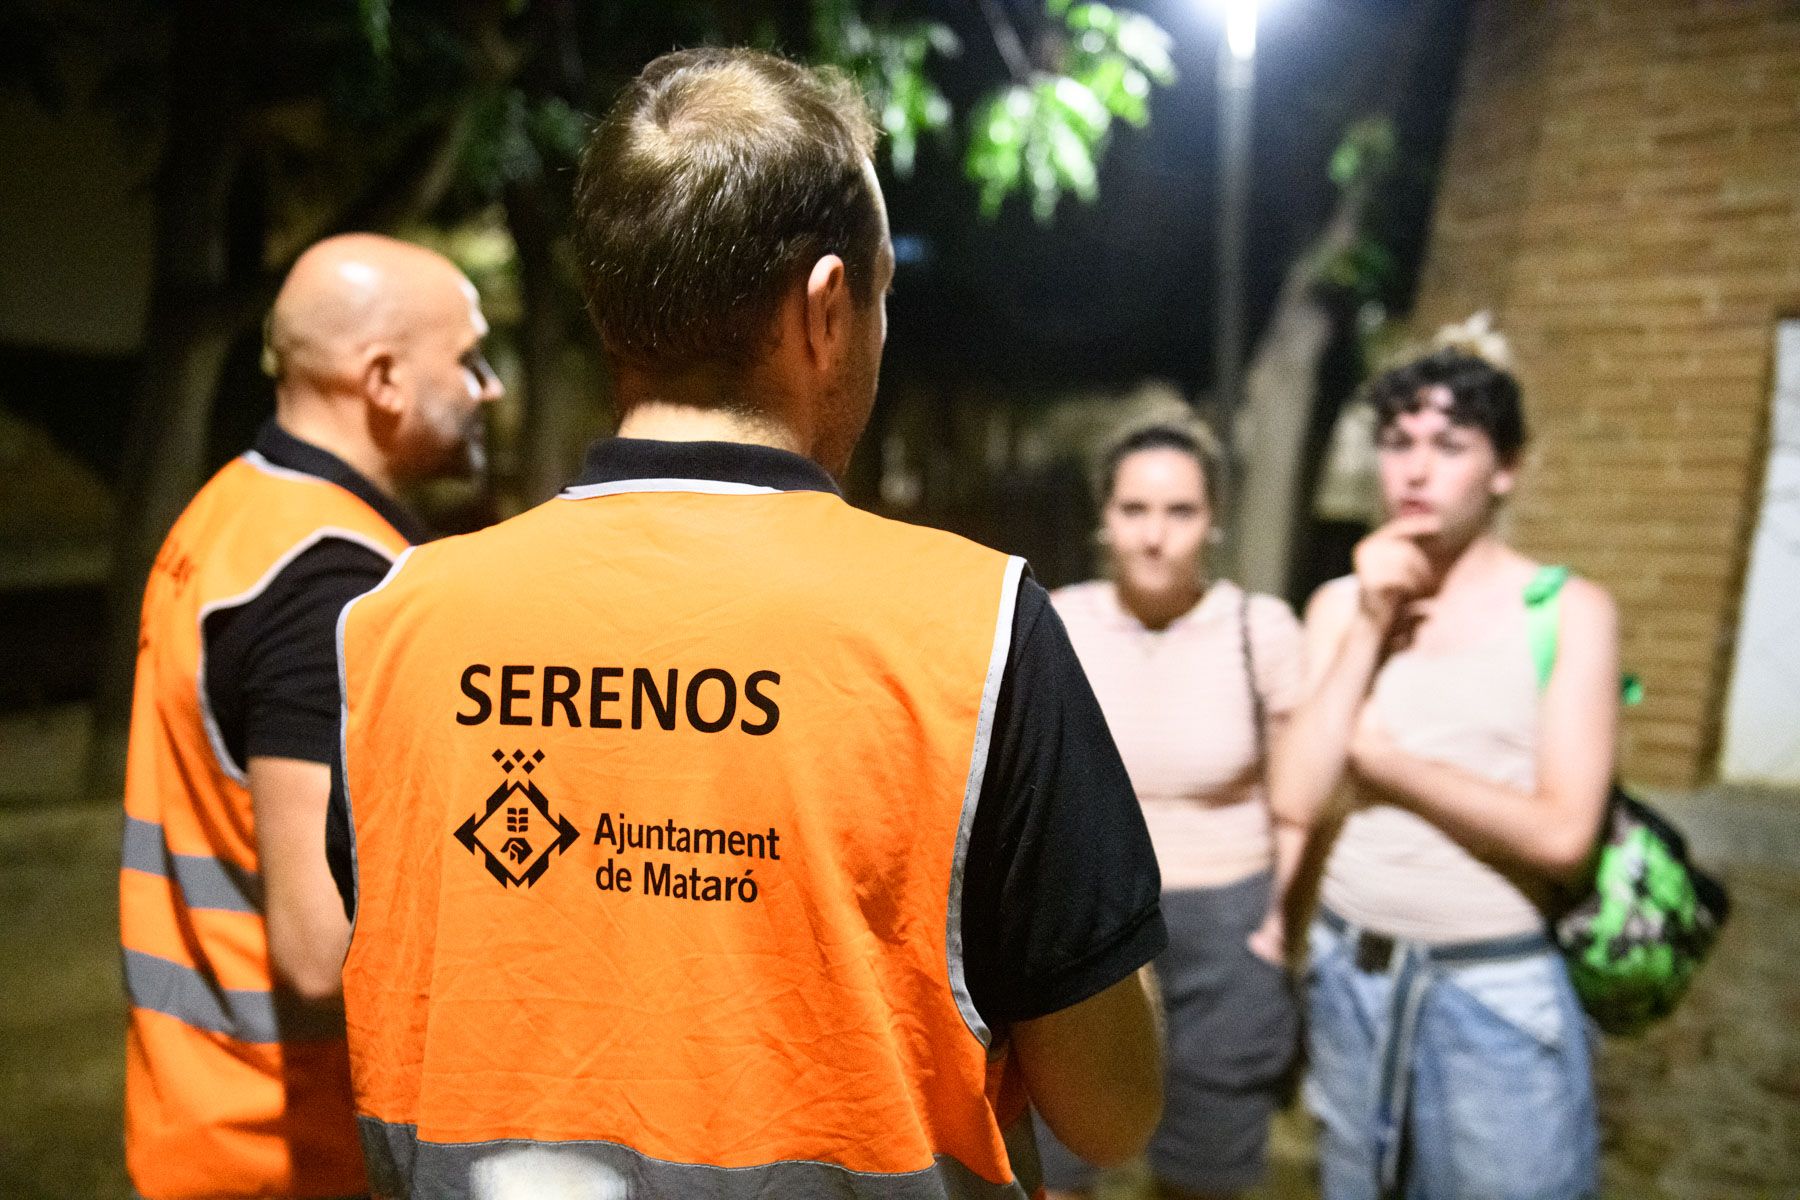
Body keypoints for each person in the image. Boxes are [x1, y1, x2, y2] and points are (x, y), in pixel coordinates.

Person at [328, 47, 1166, 1200]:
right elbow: (1111, 1109)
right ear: (827, 309)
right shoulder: (976, 632)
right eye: (880, 298)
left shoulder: (393, 625)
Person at [119, 233, 503, 1200]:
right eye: (467, 358)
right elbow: (319, 951)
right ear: (381, 377)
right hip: (294, 1149)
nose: (490, 388)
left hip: (200, 1116)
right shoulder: (329, 585)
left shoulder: (234, 511)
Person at [1279, 343, 1617, 1199]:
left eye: (1451, 444)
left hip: (1492, 991)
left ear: (1505, 468)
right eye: (1397, 441)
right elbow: (1296, 794)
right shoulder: (1336, 605)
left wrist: (1387, 762)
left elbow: (1565, 835)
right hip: (1350, 976)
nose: (1416, 469)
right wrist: (1371, 619)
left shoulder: (1569, 611)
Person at [1034, 419, 1306, 1200]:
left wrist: (1279, 929)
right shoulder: (1054, 620)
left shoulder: (1260, 630)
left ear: (1213, 518)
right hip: (1086, 920)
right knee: (1056, 1158)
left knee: (1206, 1167)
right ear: (1104, 517)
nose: (1155, 537)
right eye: (1134, 510)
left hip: (1226, 924)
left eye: (1180, 512)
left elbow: (1296, 808)